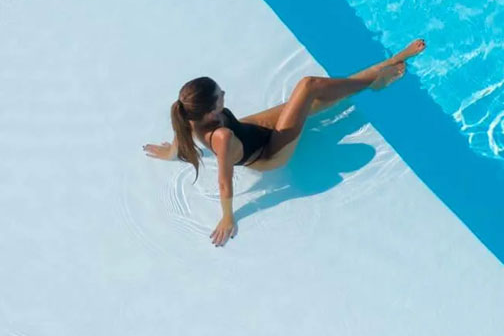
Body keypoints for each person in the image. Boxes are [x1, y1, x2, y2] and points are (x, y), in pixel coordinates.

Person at [144, 39, 425, 246]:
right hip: (269, 154)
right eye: (220, 96)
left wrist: (170, 153)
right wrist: (227, 217)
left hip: (250, 131)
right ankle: (374, 80)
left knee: (315, 100)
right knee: (308, 87)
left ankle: (376, 73)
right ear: (210, 112)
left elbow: (180, 139)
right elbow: (224, 183)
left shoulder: (187, 115)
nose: (225, 93)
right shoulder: (223, 137)